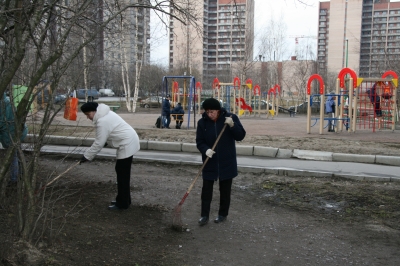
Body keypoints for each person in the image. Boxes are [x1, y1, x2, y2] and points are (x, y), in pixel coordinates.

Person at [79, 102, 140, 210]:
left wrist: (86, 156)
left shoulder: (102, 121)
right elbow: (110, 132)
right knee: (122, 173)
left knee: (122, 175)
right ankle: (124, 199)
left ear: (94, 111)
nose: (88, 117)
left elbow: (99, 142)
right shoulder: (105, 114)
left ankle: (122, 204)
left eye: (88, 114)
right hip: (128, 141)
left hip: (127, 143)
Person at [196, 98, 246, 226]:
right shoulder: (202, 123)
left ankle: (222, 214)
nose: (209, 114)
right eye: (207, 112)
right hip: (209, 162)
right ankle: (204, 215)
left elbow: (240, 136)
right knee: (206, 191)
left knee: (225, 191)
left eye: (212, 112)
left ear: (218, 110)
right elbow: (200, 141)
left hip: (226, 162)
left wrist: (233, 125)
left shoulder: (230, 118)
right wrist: (205, 150)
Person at [0, 92, 28, 183]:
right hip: (19, 131)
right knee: (18, 152)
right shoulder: (7, 101)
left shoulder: (3, 104)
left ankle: (14, 179)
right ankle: (22, 174)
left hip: (11, 134)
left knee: (13, 156)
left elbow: (2, 122)